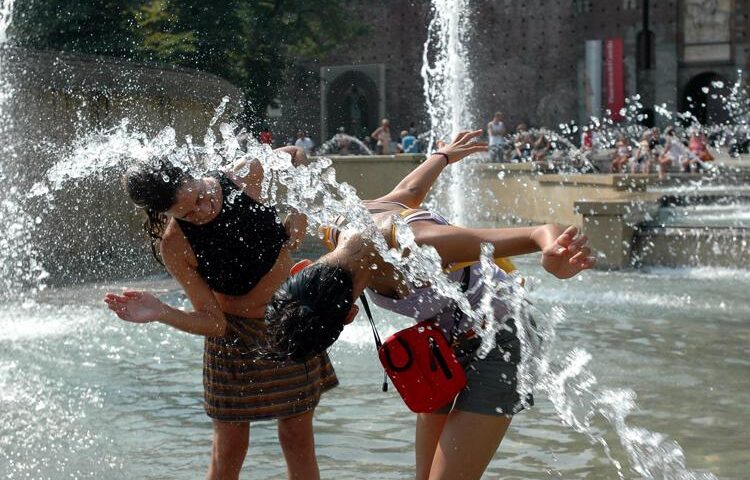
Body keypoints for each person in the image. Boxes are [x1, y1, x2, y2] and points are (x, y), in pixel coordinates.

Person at [265, 130, 595, 480]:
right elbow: (406, 194)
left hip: (502, 338)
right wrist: (443, 156)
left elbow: (537, 233)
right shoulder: (335, 230)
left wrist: (554, 255)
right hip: (439, 347)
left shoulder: (419, 248)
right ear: (303, 269)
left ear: (349, 314)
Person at [104, 146, 338, 480]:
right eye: (187, 213)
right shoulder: (175, 245)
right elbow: (214, 323)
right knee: (229, 447)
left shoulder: (243, 175)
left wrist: (299, 215)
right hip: (233, 339)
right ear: (166, 213)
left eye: (199, 197)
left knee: (297, 437)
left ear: (194, 175)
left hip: (287, 322)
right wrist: (162, 311)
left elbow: (296, 156)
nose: (202, 210)